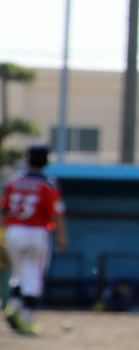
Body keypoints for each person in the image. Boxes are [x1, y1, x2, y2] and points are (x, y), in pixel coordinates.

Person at [3, 144, 68, 336]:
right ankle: (26, 319)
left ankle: (13, 304)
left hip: (13, 231)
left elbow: (4, 210)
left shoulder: (14, 181)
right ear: (46, 161)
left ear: (26, 159)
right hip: (36, 232)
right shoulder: (48, 183)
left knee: (19, 272)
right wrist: (62, 236)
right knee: (33, 276)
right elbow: (56, 214)